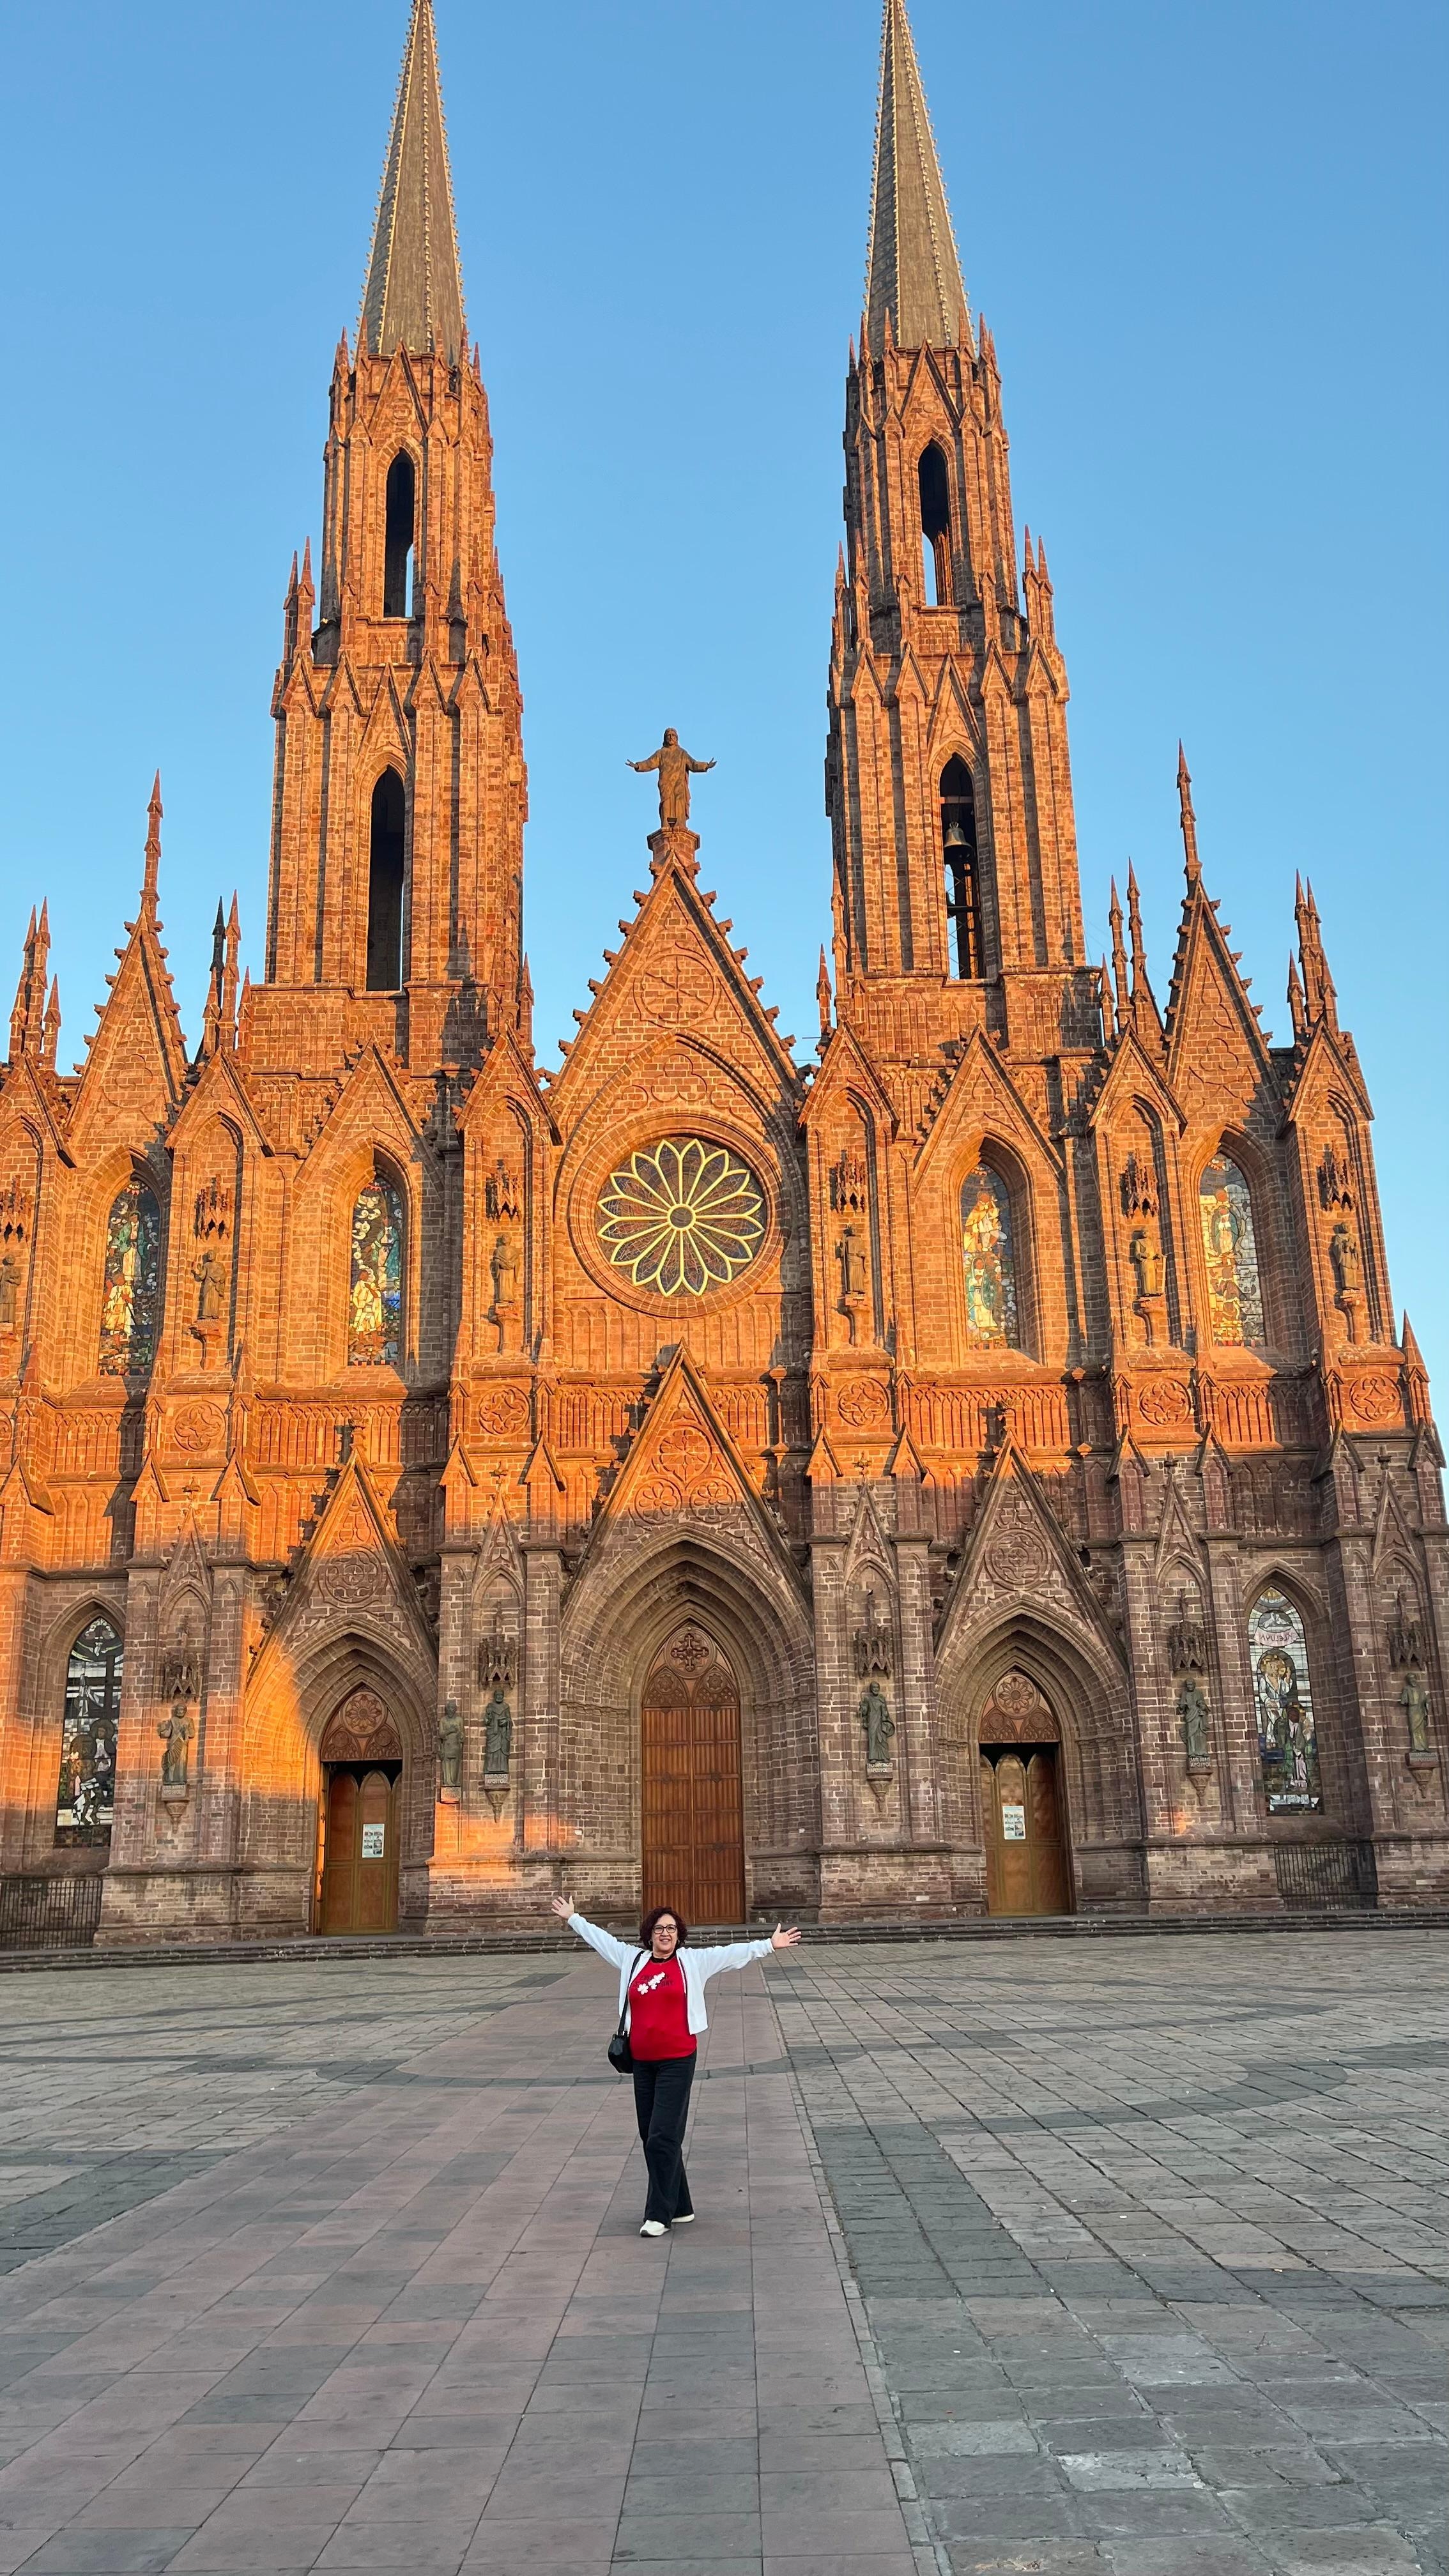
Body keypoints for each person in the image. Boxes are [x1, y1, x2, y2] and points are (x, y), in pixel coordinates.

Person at [551, 1894, 801, 2237]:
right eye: (659, 1929)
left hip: (677, 2060)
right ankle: (681, 2206)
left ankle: (658, 2214)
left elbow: (730, 1954)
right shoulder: (632, 1960)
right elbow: (601, 1940)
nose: (665, 1934)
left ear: (678, 1934)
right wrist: (574, 1918)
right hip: (641, 2061)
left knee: (662, 2137)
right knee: (650, 2135)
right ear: (649, 1934)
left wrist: (769, 1945)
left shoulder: (691, 1963)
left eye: (670, 1928)